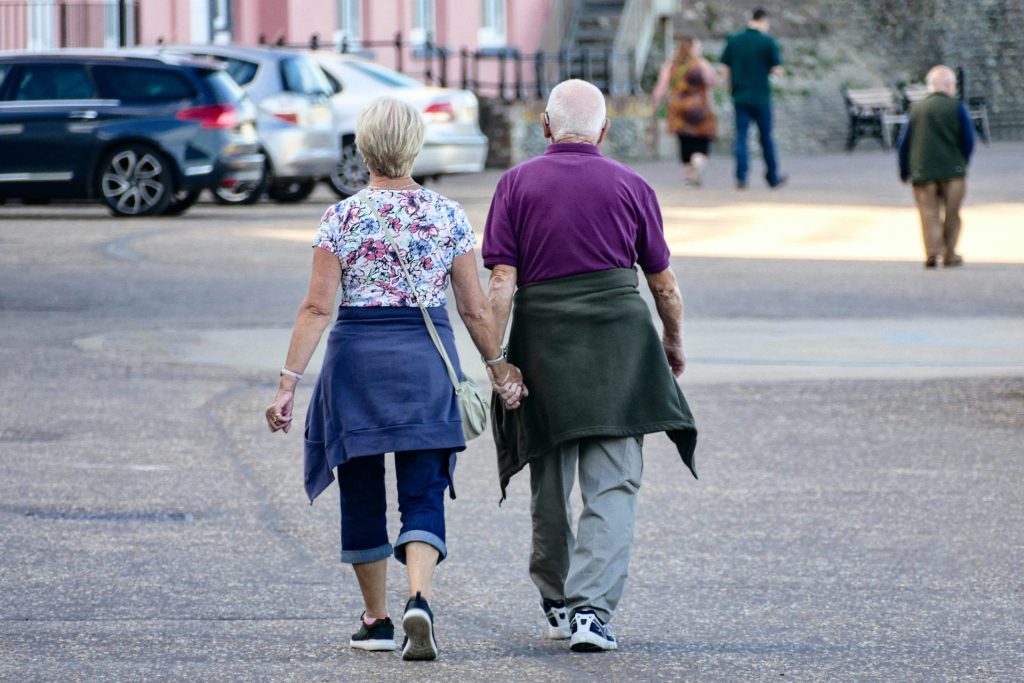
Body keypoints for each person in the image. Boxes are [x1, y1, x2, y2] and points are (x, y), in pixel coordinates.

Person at [265, 97, 525, 662]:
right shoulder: (449, 216)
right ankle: (420, 601)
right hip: (425, 365)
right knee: (424, 491)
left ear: (363, 149)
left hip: (355, 368)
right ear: (415, 147)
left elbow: (316, 308)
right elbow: (475, 310)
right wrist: (499, 369)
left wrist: (288, 382)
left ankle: (377, 620)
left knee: (361, 492)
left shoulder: (342, 217)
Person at [482, 79, 698, 653]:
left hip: (543, 344)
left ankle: (556, 599)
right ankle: (591, 614)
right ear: (604, 130)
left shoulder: (516, 184)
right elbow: (664, 285)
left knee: (548, 480)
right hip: (619, 349)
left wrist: (497, 360)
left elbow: (501, 282)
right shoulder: (632, 185)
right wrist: (671, 343)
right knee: (614, 483)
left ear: (546, 128)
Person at [897, 65, 975, 269]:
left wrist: (904, 170)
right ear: (948, 85)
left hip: (923, 172)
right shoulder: (957, 107)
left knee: (928, 213)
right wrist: (962, 162)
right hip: (953, 172)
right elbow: (968, 140)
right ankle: (950, 253)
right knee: (952, 214)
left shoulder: (916, 109)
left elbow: (903, 143)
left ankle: (932, 253)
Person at [719, 7, 786, 189]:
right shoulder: (767, 42)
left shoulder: (734, 40)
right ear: (764, 21)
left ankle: (741, 176)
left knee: (741, 137)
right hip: (761, 97)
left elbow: (724, 68)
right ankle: (772, 176)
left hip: (740, 96)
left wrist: (731, 87)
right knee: (766, 138)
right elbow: (777, 70)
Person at [652, 36, 719, 187]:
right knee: (702, 139)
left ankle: (688, 176)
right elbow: (712, 82)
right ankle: (698, 162)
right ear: (693, 49)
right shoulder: (702, 64)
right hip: (701, 108)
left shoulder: (670, 65)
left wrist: (656, 104)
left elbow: (661, 88)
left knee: (684, 141)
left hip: (679, 109)